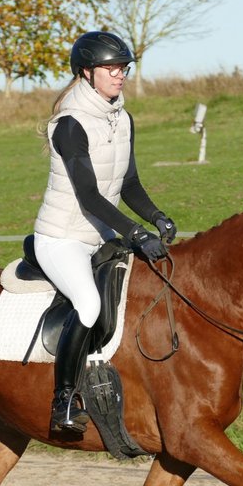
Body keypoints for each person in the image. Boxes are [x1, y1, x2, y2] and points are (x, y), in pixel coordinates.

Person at [34, 30, 177, 435]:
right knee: (88, 304)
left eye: (123, 68)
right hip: (61, 237)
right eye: (111, 68)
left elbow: (128, 184)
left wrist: (156, 216)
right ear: (86, 72)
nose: (120, 75)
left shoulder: (121, 116)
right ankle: (63, 402)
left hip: (100, 234)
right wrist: (136, 234)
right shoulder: (69, 125)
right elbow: (89, 196)